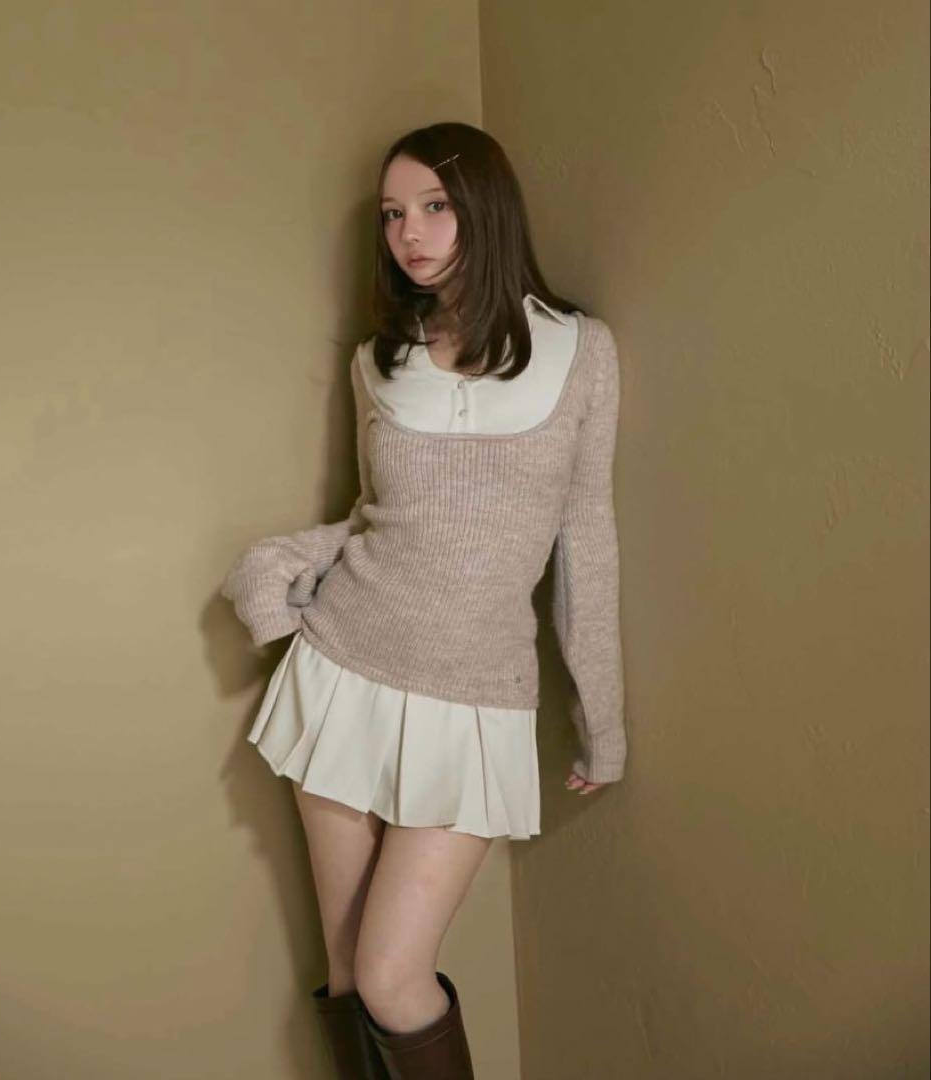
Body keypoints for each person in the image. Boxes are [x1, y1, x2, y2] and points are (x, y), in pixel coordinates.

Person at [220, 120, 625, 1078]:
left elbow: (587, 540)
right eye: (394, 214)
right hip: (343, 674)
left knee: (393, 976)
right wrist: (277, 587)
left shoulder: (583, 351)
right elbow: (380, 517)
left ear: (486, 205)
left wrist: (602, 724)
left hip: (474, 697)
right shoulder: (379, 360)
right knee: (349, 975)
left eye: (436, 206)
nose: (411, 233)